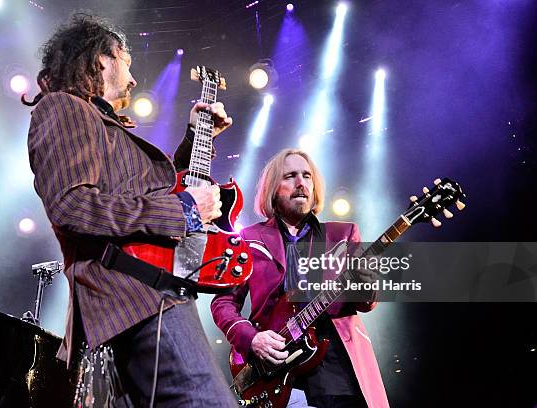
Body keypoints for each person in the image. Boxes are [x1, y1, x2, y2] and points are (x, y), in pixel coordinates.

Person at [24, 12, 237, 407]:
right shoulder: (64, 109)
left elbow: (146, 191)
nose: (134, 78)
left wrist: (195, 137)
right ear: (101, 59)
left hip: (147, 294)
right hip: (138, 297)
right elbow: (73, 205)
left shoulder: (98, 123)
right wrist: (184, 210)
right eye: (127, 61)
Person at [211, 148, 389, 408]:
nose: (301, 183)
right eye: (290, 176)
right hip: (279, 375)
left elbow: (365, 303)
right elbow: (223, 303)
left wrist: (367, 284)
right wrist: (252, 338)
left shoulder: (342, 234)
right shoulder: (248, 239)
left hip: (339, 371)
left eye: (307, 176)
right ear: (273, 187)